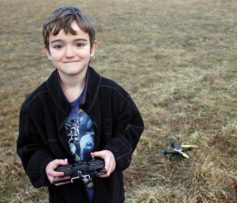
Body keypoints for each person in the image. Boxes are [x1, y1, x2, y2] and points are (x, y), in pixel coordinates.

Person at [16, 6, 144, 203]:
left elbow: (131, 127)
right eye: (58, 46)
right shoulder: (35, 105)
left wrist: (113, 153)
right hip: (65, 196)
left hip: (108, 193)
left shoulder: (112, 94)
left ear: (92, 48)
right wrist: (45, 166)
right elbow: (29, 146)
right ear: (47, 51)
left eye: (79, 44)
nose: (69, 54)